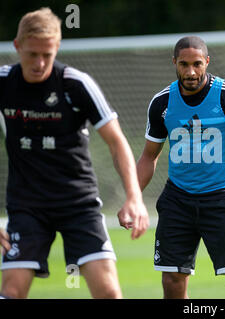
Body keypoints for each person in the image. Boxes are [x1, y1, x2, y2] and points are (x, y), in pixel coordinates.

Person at [0, 8, 149, 299]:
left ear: (57, 48)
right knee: (12, 292)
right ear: (17, 46)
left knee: (108, 292)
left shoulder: (75, 84)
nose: (40, 63)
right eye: (32, 54)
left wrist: (134, 197)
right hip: (26, 205)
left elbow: (117, 141)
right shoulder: (4, 82)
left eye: (48, 54)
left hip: (78, 204)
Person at [137, 36, 225, 299]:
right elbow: (149, 156)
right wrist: (132, 199)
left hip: (221, 200)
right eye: (183, 64)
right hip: (177, 200)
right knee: (171, 282)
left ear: (207, 62)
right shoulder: (162, 103)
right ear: (174, 63)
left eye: (197, 64)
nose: (190, 72)